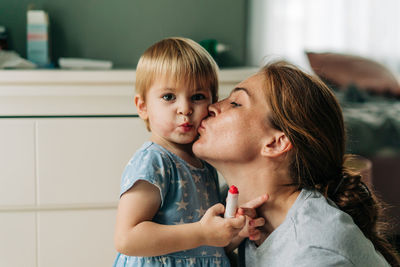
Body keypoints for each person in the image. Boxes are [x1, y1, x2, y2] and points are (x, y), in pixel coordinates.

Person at [193, 60, 400, 266]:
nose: (211, 107)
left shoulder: (313, 250)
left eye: (236, 103)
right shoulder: (231, 208)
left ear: (276, 142)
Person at [113, 37, 263, 267]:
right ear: (142, 107)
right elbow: (127, 238)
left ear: (212, 102)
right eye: (169, 97)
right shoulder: (155, 160)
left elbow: (209, 246)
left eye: (197, 97)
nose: (185, 108)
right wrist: (202, 233)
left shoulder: (205, 164)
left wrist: (235, 232)